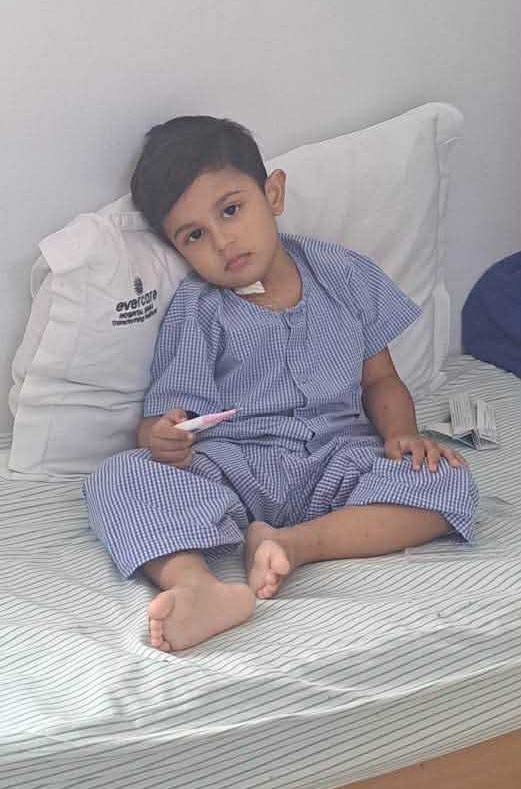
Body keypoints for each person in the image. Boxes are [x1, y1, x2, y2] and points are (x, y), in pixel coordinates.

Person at [84, 116, 478, 653]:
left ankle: (290, 544)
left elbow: (381, 378)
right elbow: (166, 417)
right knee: (119, 476)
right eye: (194, 235)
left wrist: (401, 436)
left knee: (448, 479)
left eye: (231, 210)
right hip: (237, 467)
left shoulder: (342, 273)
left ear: (273, 194)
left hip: (340, 458)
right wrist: (162, 437)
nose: (222, 241)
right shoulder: (199, 308)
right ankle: (194, 584)